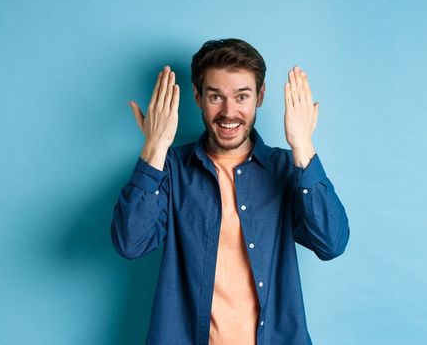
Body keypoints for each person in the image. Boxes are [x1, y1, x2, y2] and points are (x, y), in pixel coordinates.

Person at [111, 38, 350, 345]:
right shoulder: (170, 168)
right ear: (197, 97)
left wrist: (303, 147)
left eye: (242, 96)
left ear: (260, 96)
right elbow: (131, 244)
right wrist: (154, 148)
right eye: (215, 96)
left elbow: (331, 243)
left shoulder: (285, 167)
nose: (229, 111)